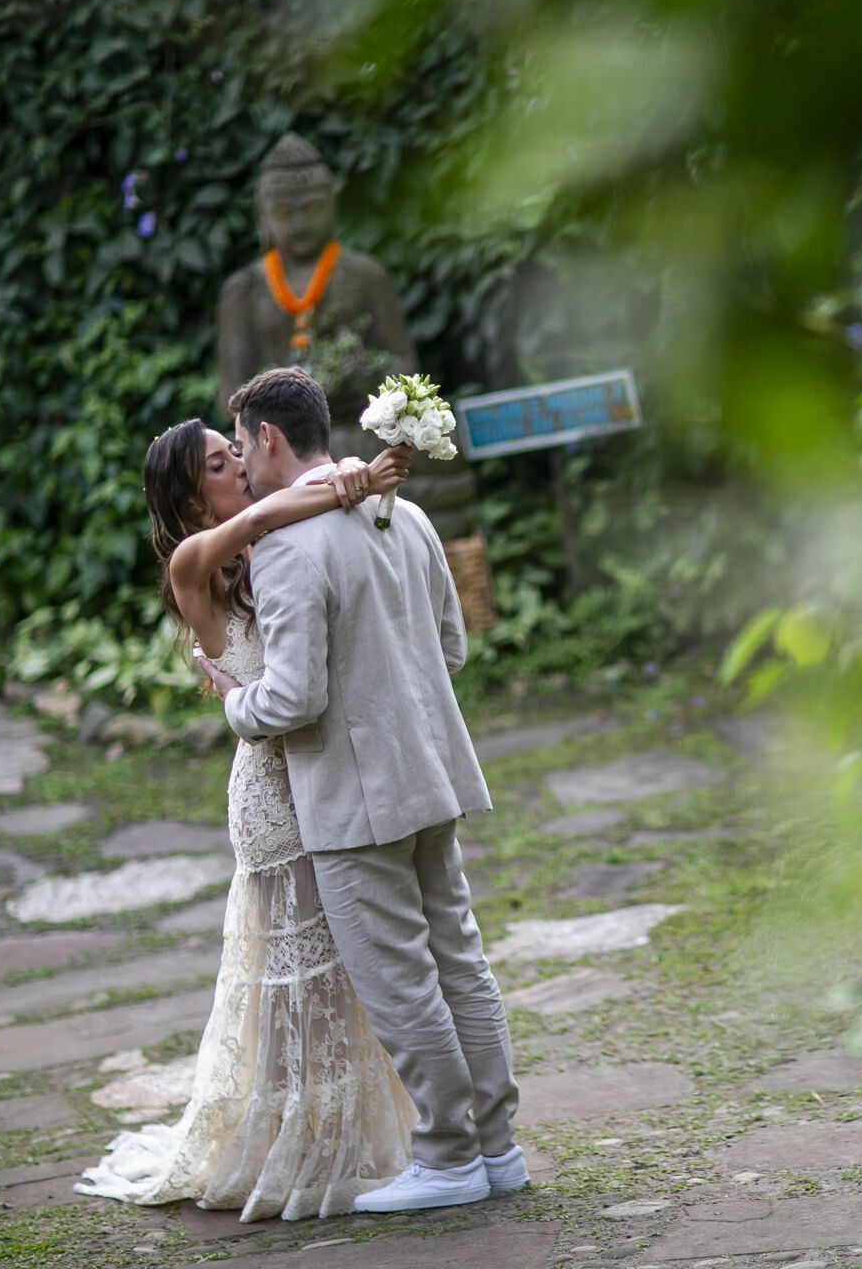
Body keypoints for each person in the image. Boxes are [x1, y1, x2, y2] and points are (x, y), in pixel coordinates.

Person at [196, 366, 525, 1212]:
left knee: (402, 981)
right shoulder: (406, 514)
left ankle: (450, 1159)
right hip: (434, 773)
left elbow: (294, 698)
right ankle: (499, 1148)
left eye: (239, 445)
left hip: (352, 799)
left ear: (268, 439)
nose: (239, 459)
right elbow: (450, 648)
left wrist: (236, 701)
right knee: (461, 960)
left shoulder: (285, 548)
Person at [76, 418, 419, 1221]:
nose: (242, 470)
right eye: (225, 465)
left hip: (322, 775)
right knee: (296, 985)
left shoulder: (268, 554)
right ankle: (295, 1144)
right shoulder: (194, 561)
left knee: (347, 976)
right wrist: (351, 479)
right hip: (271, 795)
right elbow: (265, 514)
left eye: (238, 456)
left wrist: (359, 477)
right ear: (193, 497)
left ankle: (357, 1134)